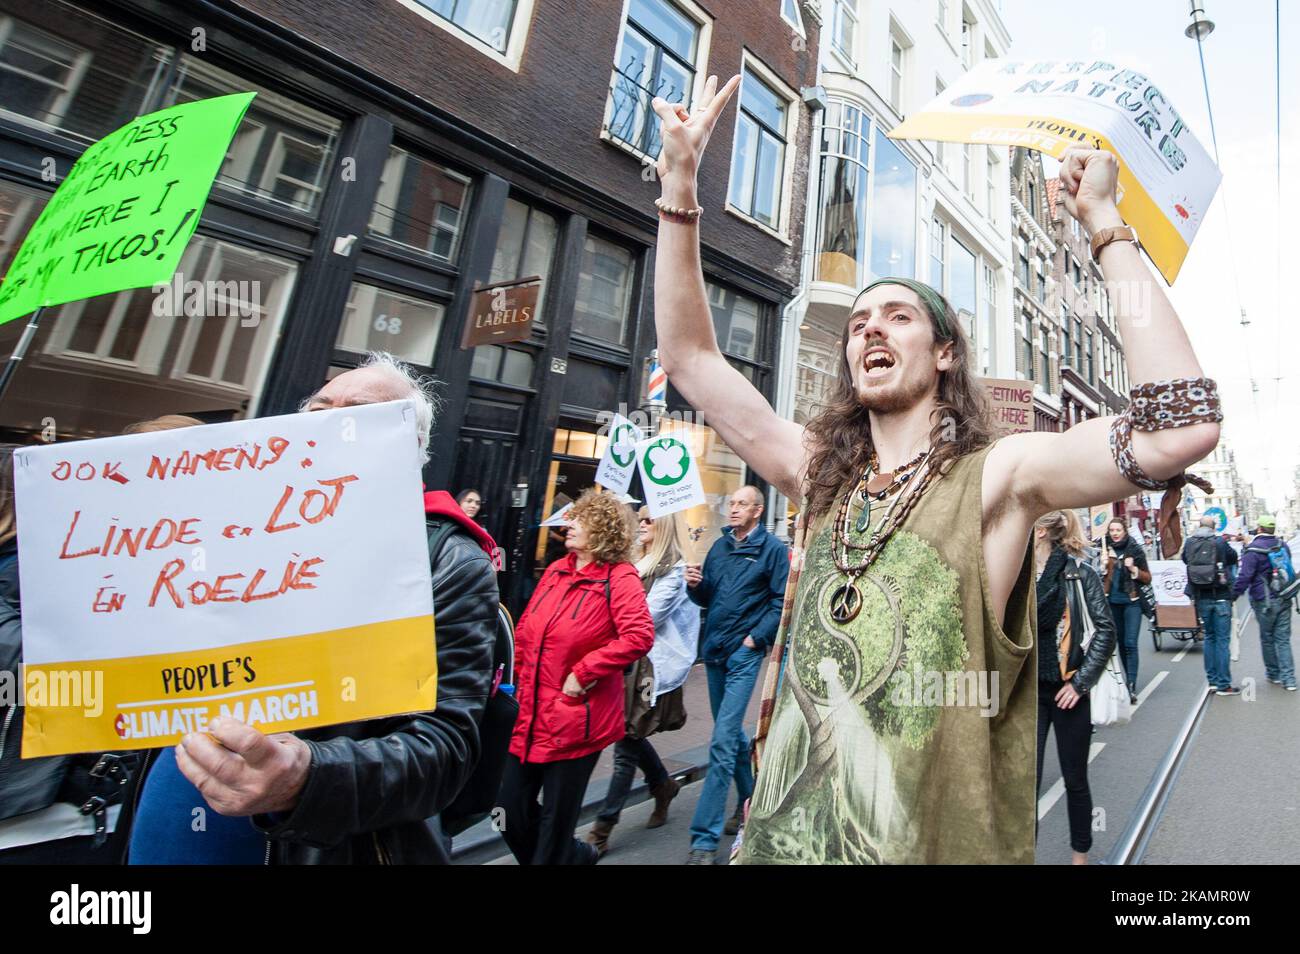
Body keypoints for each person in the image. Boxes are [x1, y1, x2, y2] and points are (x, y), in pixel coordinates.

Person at [649, 77, 1220, 863]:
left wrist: (1105, 223)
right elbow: (689, 356)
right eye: (857, 324)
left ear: (944, 351)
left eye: (897, 316)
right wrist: (679, 195)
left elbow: (1182, 427)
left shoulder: (998, 477)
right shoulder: (819, 475)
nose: (868, 331)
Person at [120, 351, 500, 864]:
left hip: (316, 841)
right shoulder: (232, 532)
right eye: (318, 410)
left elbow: (445, 750)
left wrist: (308, 775)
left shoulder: (446, 561)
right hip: (174, 813)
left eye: (357, 414)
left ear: (408, 446)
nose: (328, 423)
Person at [498, 488, 654, 865]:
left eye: (579, 519)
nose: (567, 523)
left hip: (576, 721)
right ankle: (575, 856)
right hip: (531, 715)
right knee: (505, 813)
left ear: (602, 529)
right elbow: (528, 630)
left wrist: (584, 672)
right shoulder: (556, 570)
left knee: (554, 825)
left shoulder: (620, 578)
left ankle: (560, 854)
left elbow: (639, 635)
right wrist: (514, 680)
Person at [683, 485, 788, 864]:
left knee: (723, 739)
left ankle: (703, 840)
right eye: (731, 504)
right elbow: (708, 597)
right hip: (714, 653)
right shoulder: (719, 547)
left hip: (743, 657)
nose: (733, 509)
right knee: (733, 740)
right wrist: (695, 586)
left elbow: (780, 603)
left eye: (742, 504)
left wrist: (753, 640)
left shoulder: (774, 551)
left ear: (758, 511)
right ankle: (751, 800)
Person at [586, 508, 697, 857]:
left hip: (649, 670)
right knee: (627, 735)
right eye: (640, 519)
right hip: (625, 663)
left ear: (662, 526)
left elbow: (645, 616)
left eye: (649, 520)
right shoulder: (632, 563)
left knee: (626, 743)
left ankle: (602, 829)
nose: (642, 525)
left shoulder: (673, 570)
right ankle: (662, 785)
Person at [1034, 510, 1117, 865]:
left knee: (1075, 779)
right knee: (1024, 785)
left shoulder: (1078, 573)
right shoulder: (1015, 573)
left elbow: (1105, 630)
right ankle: (1025, 855)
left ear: (1039, 532)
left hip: (1069, 690)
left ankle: (1079, 857)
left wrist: (1081, 684)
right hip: (1029, 694)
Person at [1233, 515, 1296, 691]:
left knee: (1267, 638)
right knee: (1283, 640)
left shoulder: (1253, 550)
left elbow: (1245, 576)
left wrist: (1235, 594)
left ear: (1259, 529)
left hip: (1264, 601)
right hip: (1284, 597)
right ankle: (1289, 680)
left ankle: (1274, 674)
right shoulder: (1282, 546)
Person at [1182, 514, 1240, 695]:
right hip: (1221, 596)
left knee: (1209, 637)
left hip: (1201, 596)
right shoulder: (1219, 542)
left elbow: (1185, 559)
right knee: (1222, 640)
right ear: (1214, 527)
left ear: (1199, 526)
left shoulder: (1190, 542)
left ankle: (1212, 680)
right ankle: (1224, 684)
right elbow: (1233, 557)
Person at [1102, 518, 1150, 704]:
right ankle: (1124, 679)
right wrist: (1103, 565)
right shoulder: (1105, 550)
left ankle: (1131, 685)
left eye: (1118, 529)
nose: (1115, 533)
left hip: (1132, 602)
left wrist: (1133, 569)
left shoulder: (1135, 550)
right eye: (1112, 530)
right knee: (1120, 643)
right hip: (1112, 603)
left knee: (1130, 643)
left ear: (1125, 531)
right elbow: (1098, 577)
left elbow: (1148, 578)